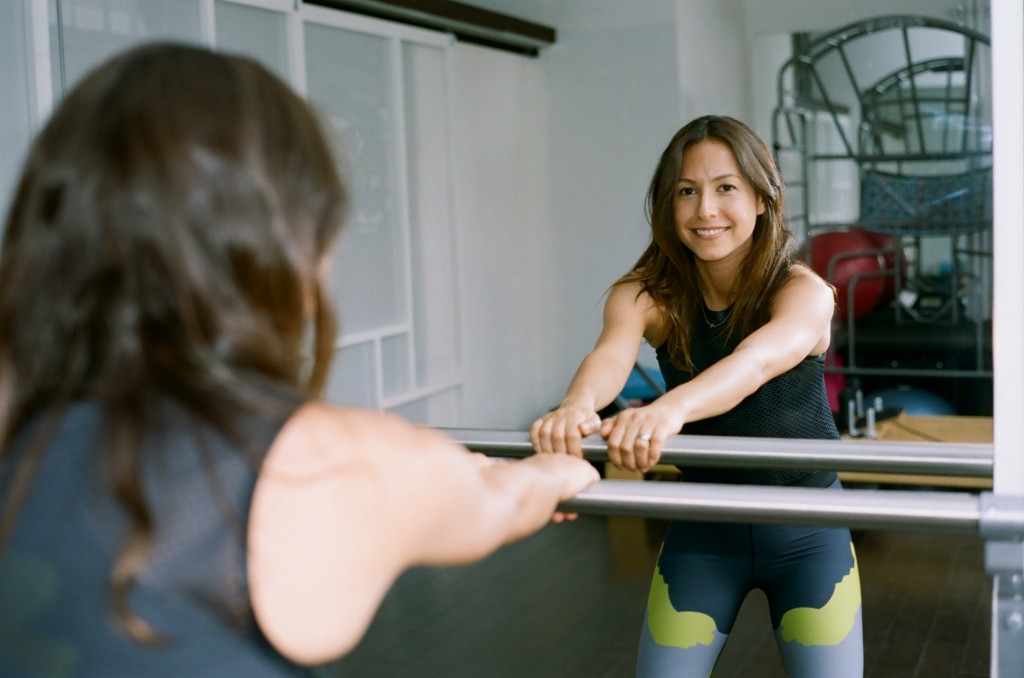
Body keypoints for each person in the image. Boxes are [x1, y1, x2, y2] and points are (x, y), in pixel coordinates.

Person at [0, 43, 598, 677]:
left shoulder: (22, 422)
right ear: (279, 248)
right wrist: (558, 472)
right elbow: (502, 501)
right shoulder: (328, 462)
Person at [531, 115, 863, 677]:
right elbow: (610, 357)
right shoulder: (646, 293)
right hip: (703, 529)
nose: (705, 209)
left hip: (809, 531)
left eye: (725, 187)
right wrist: (576, 407)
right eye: (687, 191)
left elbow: (755, 363)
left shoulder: (803, 291)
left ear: (762, 198)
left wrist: (668, 410)